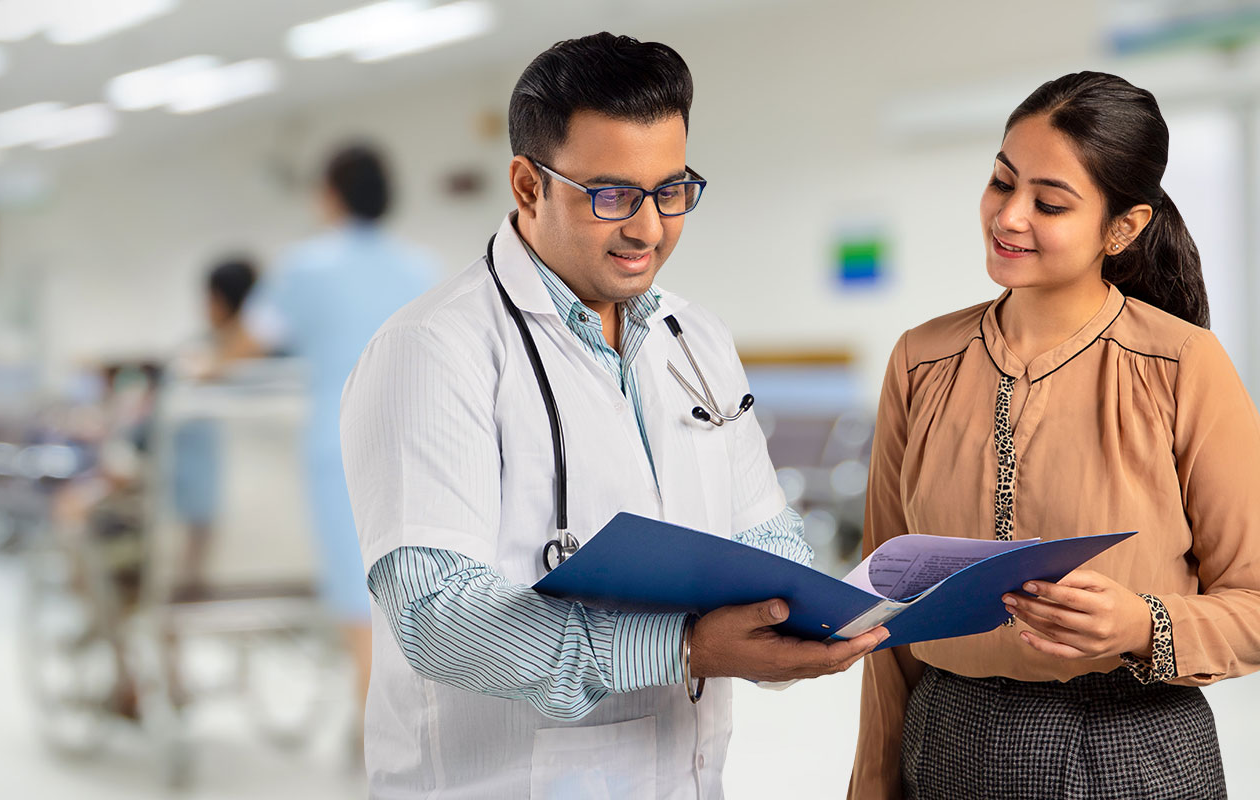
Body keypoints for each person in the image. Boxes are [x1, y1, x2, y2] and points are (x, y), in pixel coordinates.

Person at [339, 34, 887, 798]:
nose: (649, 228)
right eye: (612, 196)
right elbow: (436, 612)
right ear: (528, 186)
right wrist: (686, 648)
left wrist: (802, 613)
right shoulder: (432, 349)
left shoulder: (694, 338)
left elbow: (762, 528)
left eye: (671, 191)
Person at [849, 72, 1260, 799]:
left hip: (1136, 750)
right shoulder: (920, 359)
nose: (1008, 216)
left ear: (1123, 227)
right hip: (947, 744)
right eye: (1001, 182)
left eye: (1049, 203)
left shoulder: (1182, 364)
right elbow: (881, 613)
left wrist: (1144, 623)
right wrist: (874, 783)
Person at [243, 142, 437, 717]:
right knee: (417, 579)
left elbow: (250, 342)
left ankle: (374, 722)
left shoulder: (304, 266)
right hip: (420, 440)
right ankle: (404, 718)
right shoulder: (419, 267)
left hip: (341, 446)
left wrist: (201, 364)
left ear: (329, 194)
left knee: (360, 590)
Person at [167, 257, 258, 595]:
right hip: (286, 560)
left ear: (215, 301)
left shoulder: (194, 375)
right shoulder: (290, 372)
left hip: (203, 544)